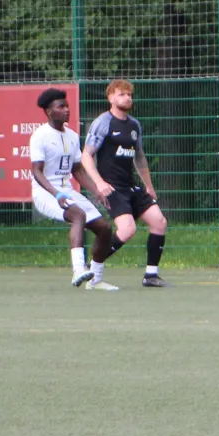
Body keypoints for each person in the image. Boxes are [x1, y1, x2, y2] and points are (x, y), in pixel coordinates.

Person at [28, 87, 122, 289]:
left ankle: (95, 280)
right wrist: (57, 194)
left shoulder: (71, 136)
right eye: (60, 106)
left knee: (104, 229)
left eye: (67, 106)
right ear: (49, 111)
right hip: (45, 193)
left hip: (67, 191)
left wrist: (95, 190)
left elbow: (77, 170)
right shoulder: (40, 136)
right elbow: (37, 172)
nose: (66, 110)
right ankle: (78, 270)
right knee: (78, 215)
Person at [81, 79, 170, 288]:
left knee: (159, 222)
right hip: (112, 188)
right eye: (122, 94)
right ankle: (92, 268)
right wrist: (99, 183)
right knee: (128, 229)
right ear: (111, 98)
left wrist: (148, 186)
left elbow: (139, 157)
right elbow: (86, 156)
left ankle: (151, 275)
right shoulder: (103, 122)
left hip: (130, 186)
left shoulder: (134, 125)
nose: (127, 98)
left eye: (129, 95)